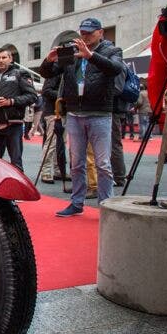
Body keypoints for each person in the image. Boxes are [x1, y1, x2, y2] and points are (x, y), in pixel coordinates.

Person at [39, 17, 127, 217]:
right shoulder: (71, 51)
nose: (85, 36)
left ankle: (106, 204)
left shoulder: (111, 50)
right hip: (75, 113)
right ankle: (77, 202)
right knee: (76, 162)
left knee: (102, 163)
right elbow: (48, 74)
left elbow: (115, 69)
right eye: (83, 32)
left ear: (100, 32)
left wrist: (90, 56)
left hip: (100, 113)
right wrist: (48, 60)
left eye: (89, 32)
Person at [0, 47, 37, 171]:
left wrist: (11, 102)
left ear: (10, 58)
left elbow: (32, 96)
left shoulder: (20, 74)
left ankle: (18, 189)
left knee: (16, 163)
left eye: (4, 57)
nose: (1, 60)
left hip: (13, 125)